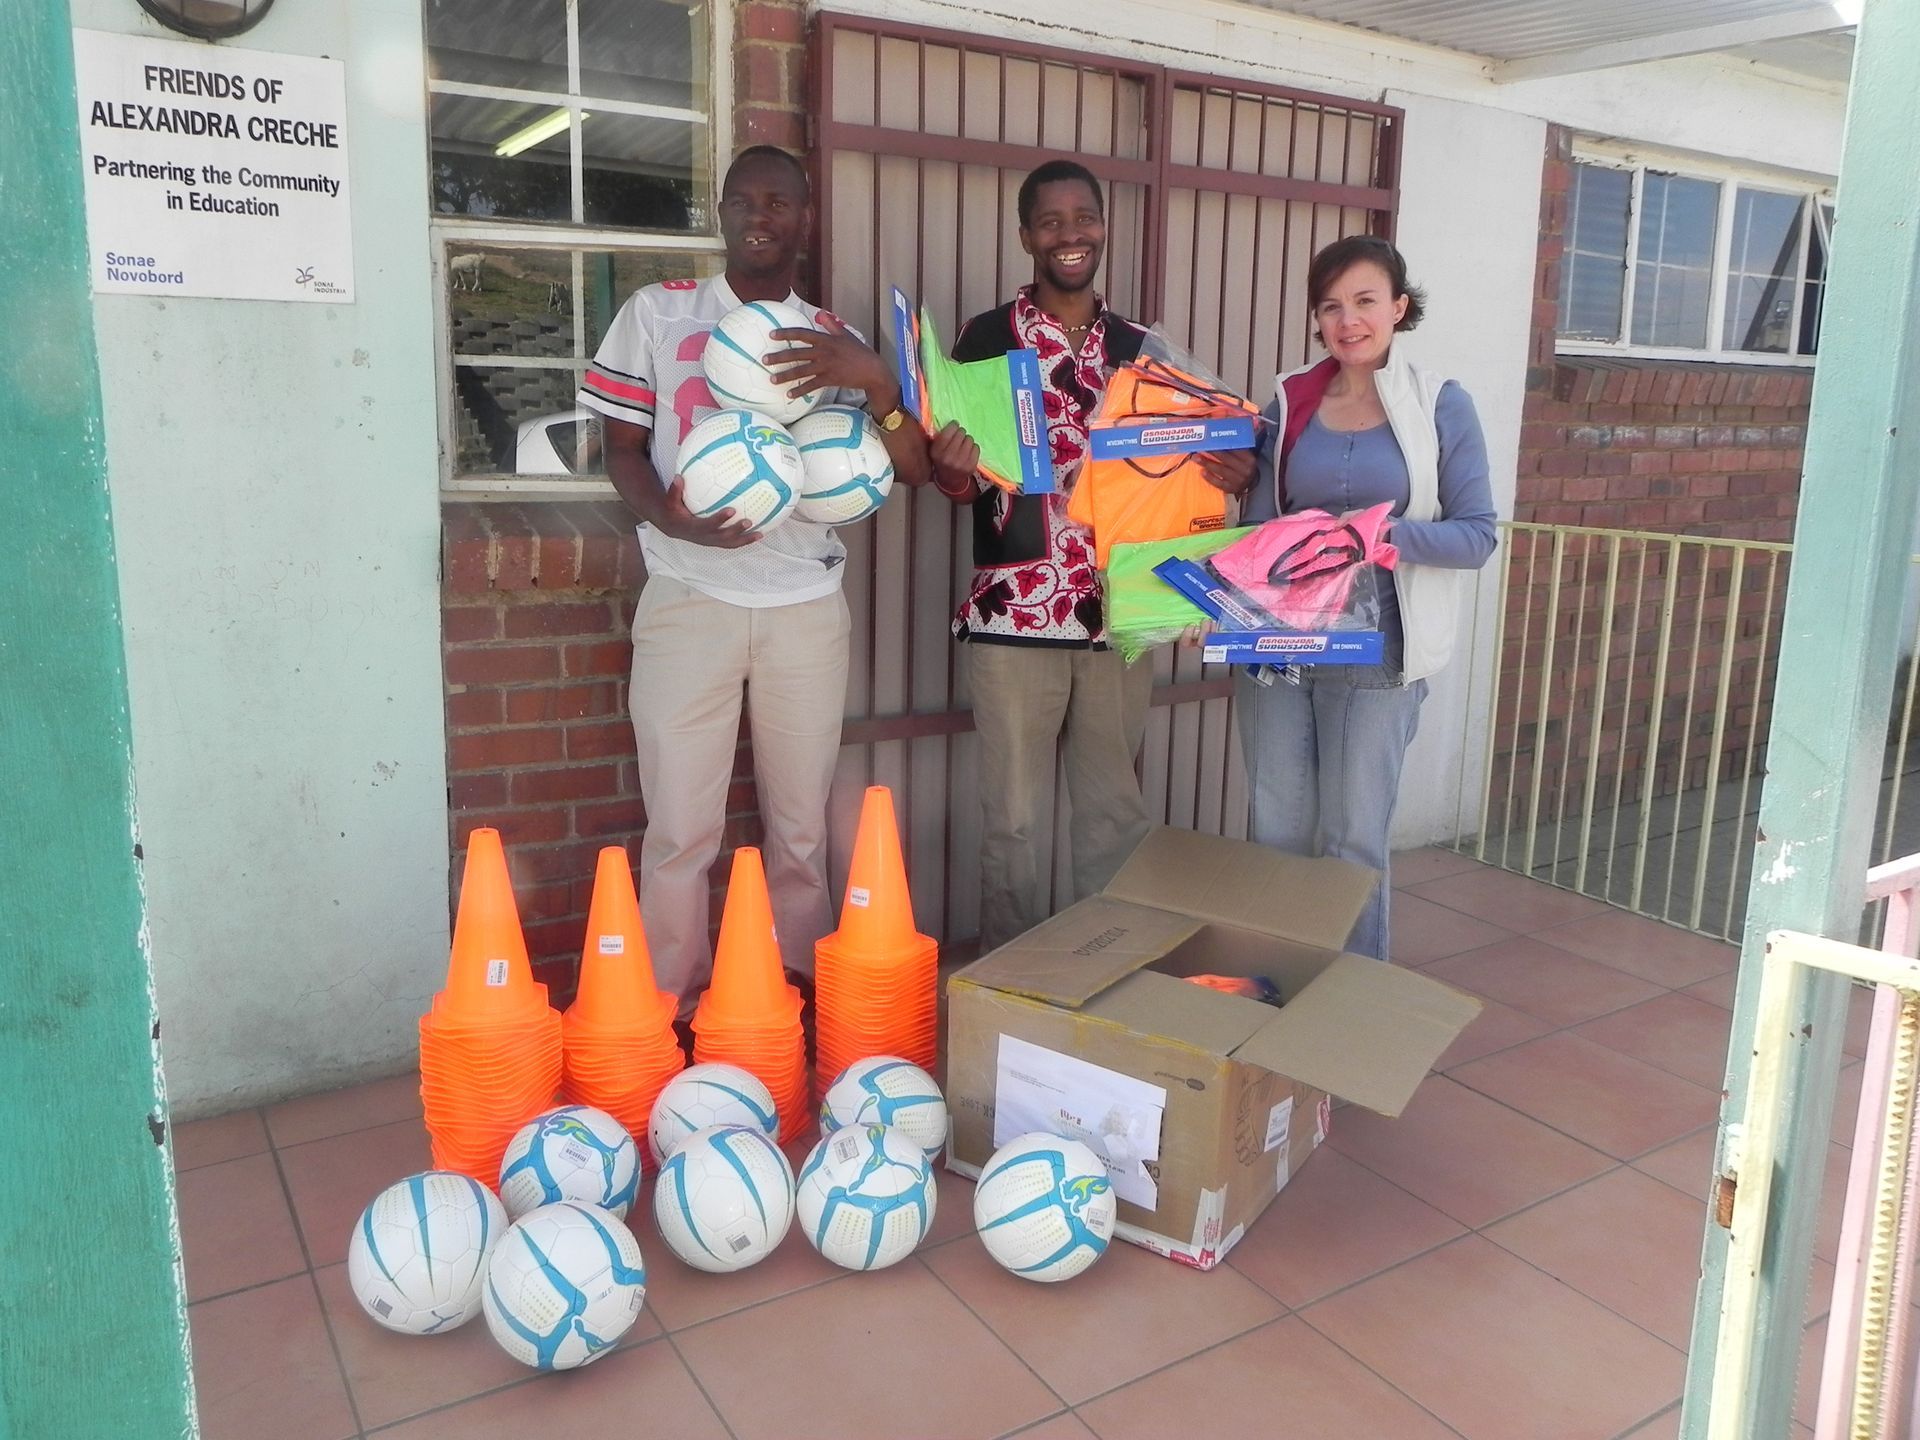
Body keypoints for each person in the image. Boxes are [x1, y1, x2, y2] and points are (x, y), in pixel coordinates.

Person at [577, 145, 931, 1015]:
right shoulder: (660, 316)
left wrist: (880, 384)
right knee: (679, 831)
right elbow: (620, 450)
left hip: (804, 607)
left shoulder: (835, 340)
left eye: (779, 202)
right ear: (723, 213)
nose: (759, 216)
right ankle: (667, 1008)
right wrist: (670, 515)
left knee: (801, 830)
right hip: (686, 599)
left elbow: (917, 469)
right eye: (742, 201)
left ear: (806, 219)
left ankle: (791, 1003)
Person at [927, 159, 1250, 952]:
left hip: (1119, 619)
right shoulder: (984, 338)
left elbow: (1187, 477)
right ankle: (1015, 985)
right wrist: (952, 472)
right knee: (1014, 822)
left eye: (1083, 219)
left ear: (1104, 227)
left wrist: (1228, 470)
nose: (1069, 235)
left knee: (1113, 819)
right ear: (1025, 236)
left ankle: (1103, 979)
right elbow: (959, 483)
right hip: (1012, 617)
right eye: (1051, 221)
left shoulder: (1145, 353)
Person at [1227, 235, 1498, 962]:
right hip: (1279, 649)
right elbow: (1257, 526)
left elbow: (1476, 537)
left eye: (1366, 301)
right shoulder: (1290, 399)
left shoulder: (1441, 403)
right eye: (1331, 306)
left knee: (1353, 843)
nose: (1349, 320)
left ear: (1399, 308)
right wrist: (1217, 608)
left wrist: (1377, 538)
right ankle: (1278, 992)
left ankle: (1347, 1016)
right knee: (1276, 832)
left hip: (1379, 658)